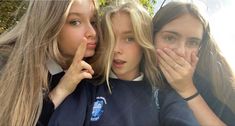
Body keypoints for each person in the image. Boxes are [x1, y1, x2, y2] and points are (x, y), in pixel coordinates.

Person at [48, 1, 199, 126]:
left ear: (144, 42)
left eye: (129, 39)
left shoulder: (162, 95)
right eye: (110, 38)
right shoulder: (87, 87)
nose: (116, 49)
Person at [0, 0, 99, 125]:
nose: (93, 32)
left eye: (94, 22)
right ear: (49, 24)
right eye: (75, 22)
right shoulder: (8, 64)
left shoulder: (100, 72)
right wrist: (61, 90)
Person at [153, 1, 235, 126]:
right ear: (152, 37)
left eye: (192, 43)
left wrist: (187, 89)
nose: (181, 51)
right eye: (170, 38)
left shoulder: (215, 83)